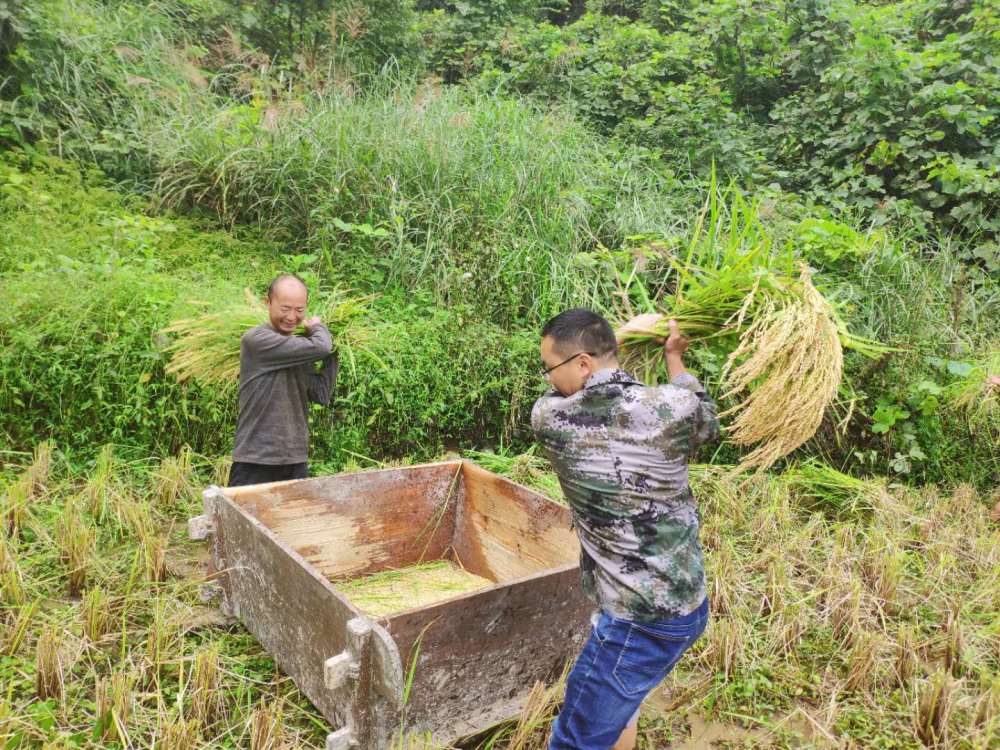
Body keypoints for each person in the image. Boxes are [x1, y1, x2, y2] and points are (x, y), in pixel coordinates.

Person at [531, 308, 719, 750]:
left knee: (574, 741)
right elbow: (705, 415)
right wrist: (674, 359)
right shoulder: (672, 407)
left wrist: (626, 337)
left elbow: (561, 397)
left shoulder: (551, 420)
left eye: (549, 368)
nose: (546, 380)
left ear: (581, 363)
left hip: (637, 621)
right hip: (688, 605)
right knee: (622, 701)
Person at [228, 274, 339, 487]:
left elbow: (321, 394)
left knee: (291, 521)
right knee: (242, 520)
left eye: (299, 310)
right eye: (285, 308)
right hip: (256, 459)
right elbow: (321, 346)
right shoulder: (256, 340)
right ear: (268, 303)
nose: (291, 317)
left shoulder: (298, 347)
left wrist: (335, 351)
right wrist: (319, 328)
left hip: (294, 460)